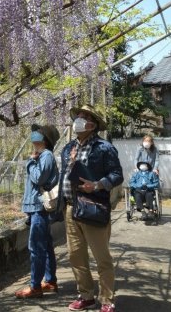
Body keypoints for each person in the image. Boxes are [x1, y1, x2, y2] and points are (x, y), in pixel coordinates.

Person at [58, 104, 123, 312]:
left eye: (84, 116)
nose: (78, 119)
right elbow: (64, 176)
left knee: (101, 257)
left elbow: (116, 175)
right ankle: (86, 295)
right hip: (71, 207)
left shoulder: (104, 147)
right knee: (76, 255)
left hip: (93, 206)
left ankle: (106, 300)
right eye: (77, 115)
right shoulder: (68, 148)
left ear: (92, 124)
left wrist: (96, 185)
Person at [15, 124, 60, 299]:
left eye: (38, 133)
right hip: (36, 207)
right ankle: (50, 281)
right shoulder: (41, 156)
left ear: (45, 139)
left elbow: (38, 177)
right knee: (46, 246)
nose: (34, 135)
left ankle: (35, 286)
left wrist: (30, 162)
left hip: (39, 207)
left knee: (36, 247)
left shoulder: (46, 156)